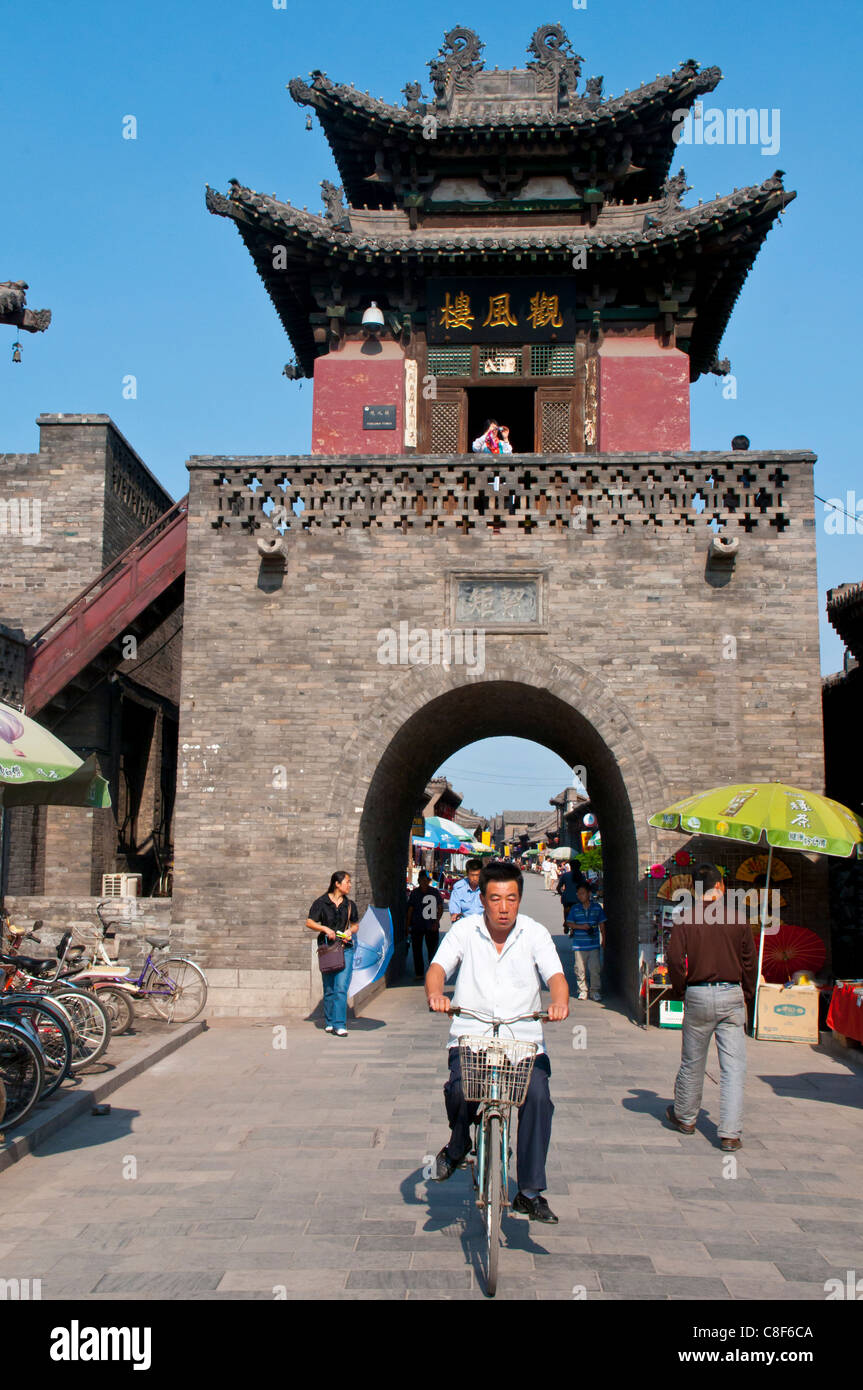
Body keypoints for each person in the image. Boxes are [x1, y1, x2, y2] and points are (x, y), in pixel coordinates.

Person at [426, 860, 569, 1222]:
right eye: (495, 899)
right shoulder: (465, 932)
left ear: (519, 899)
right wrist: (436, 995)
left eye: (511, 899)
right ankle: (459, 1146)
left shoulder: (534, 934)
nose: (503, 907)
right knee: (459, 1090)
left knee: (538, 1096)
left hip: (523, 1040)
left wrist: (560, 1001)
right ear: (483, 899)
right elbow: (438, 969)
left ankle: (530, 1191)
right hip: (471, 1035)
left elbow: (555, 975)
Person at [665, 862, 758, 1151]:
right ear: (719, 887)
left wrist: (681, 990)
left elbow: (675, 961)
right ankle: (730, 1133)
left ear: (695, 889)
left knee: (693, 1060)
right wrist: (747, 993)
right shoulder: (738, 918)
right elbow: (749, 963)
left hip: (698, 994)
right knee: (733, 1067)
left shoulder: (686, 919)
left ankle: (686, 1117)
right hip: (731, 994)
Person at [305, 870, 359, 1037]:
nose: (349, 885)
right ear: (337, 883)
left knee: (341, 986)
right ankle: (329, 1021)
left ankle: (339, 1024)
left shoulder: (350, 905)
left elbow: (355, 924)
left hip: (345, 948)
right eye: (347, 882)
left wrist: (350, 931)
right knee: (329, 987)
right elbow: (309, 922)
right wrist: (324, 928)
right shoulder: (321, 902)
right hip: (327, 948)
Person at [564, 881, 606, 1002]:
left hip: (593, 944)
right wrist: (581, 927)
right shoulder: (575, 908)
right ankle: (582, 990)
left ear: (588, 894)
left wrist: (604, 939)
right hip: (579, 945)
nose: (580, 896)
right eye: (578, 894)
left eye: (582, 893)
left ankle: (595, 991)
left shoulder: (597, 907)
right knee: (580, 969)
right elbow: (569, 923)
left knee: (595, 969)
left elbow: (602, 924)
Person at [406, 869, 444, 979]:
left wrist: (436, 921)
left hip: (429, 925)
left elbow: (440, 908)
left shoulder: (429, 892)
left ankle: (431, 972)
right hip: (419, 925)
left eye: (426, 880)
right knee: (418, 950)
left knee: (431, 951)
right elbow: (410, 910)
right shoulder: (418, 893)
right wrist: (407, 926)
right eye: (423, 880)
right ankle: (420, 973)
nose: (424, 882)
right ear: (419, 880)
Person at [447, 858, 482, 922]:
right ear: (467, 874)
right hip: (465, 924)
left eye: (477, 875)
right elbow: (454, 908)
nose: (475, 878)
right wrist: (455, 915)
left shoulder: (488, 887)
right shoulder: (458, 888)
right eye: (472, 875)